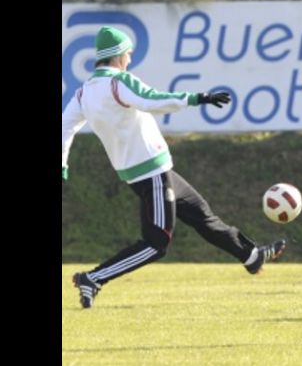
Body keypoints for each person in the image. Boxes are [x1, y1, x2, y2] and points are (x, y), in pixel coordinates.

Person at [62, 26, 286, 309]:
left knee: (203, 216)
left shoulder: (84, 93)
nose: (130, 59)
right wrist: (197, 98)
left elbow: (64, 127)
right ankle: (93, 278)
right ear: (118, 55)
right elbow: (151, 99)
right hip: (151, 174)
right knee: (156, 243)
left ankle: (252, 256)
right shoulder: (119, 82)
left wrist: (62, 163)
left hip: (154, 172)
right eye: (128, 53)